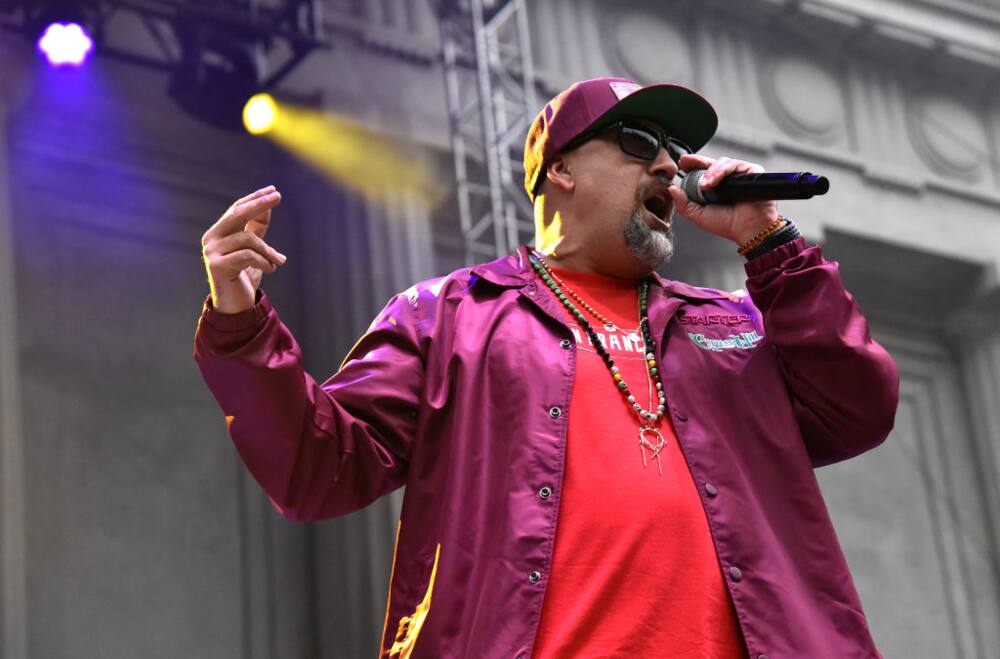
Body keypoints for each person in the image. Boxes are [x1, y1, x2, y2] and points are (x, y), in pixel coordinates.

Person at [195, 77, 899, 658]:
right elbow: (318, 467)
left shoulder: (729, 323)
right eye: (637, 143)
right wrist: (242, 326)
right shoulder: (450, 315)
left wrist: (769, 242)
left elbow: (856, 406)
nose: (666, 166)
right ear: (559, 167)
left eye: (674, 152)